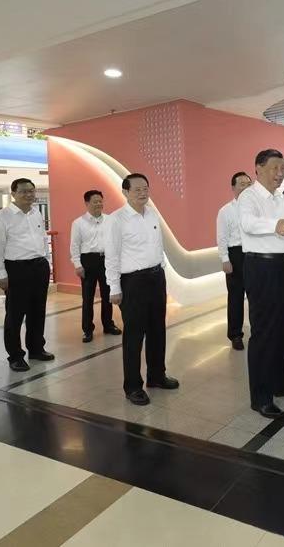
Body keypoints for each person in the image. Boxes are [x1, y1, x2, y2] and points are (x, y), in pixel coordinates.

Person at [239, 150, 284, 418]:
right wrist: (275, 224)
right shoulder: (248, 196)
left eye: (282, 168)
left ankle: (282, 381)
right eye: (275, 168)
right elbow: (248, 223)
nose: (280, 173)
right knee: (264, 332)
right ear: (258, 168)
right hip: (262, 268)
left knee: (282, 328)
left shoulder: (280, 196)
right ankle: (260, 396)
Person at [106, 174, 179, 406]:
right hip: (133, 281)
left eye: (145, 188)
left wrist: (162, 270)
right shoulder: (116, 220)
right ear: (125, 192)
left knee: (158, 330)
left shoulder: (152, 214)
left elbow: (158, 246)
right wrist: (114, 288)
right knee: (134, 335)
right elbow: (112, 256)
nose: (142, 193)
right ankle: (133, 387)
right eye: (137, 189)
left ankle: (156, 376)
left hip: (156, 278)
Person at [0, 178, 54, 371]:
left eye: (31, 191)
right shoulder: (2, 217)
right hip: (16, 269)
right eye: (24, 191)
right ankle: (15, 355)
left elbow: (43, 239)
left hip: (39, 266)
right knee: (15, 315)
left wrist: (46, 261)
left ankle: (36, 348)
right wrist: (1, 274)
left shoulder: (36, 213)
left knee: (38, 311)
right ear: (13, 194)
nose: (29, 195)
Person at [70, 190, 120, 343]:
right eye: (95, 201)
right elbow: (74, 245)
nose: (99, 204)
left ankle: (108, 324)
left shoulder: (111, 220)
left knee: (108, 294)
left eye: (100, 201)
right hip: (88, 261)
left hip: (107, 259)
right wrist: (77, 265)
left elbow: (116, 241)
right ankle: (87, 330)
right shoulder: (78, 223)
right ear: (87, 203)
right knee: (88, 297)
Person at [217, 172, 252, 351]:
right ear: (233, 188)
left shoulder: (256, 208)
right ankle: (235, 335)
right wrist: (225, 259)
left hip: (254, 253)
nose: (246, 187)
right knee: (236, 297)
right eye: (242, 184)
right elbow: (221, 237)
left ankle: (258, 330)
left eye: (248, 184)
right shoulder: (225, 211)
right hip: (236, 255)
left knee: (256, 295)